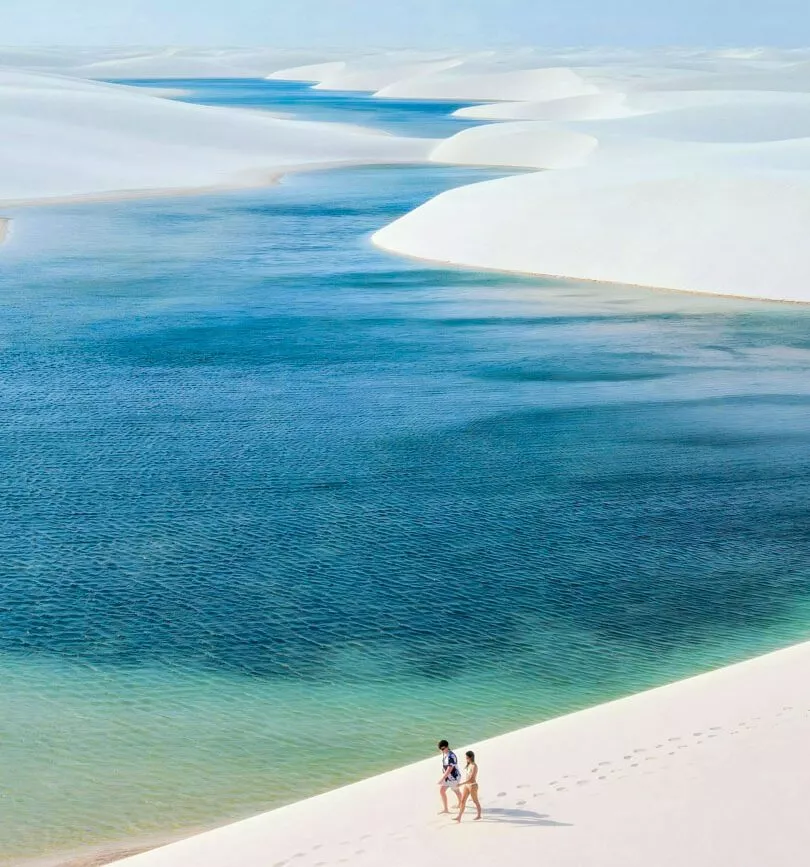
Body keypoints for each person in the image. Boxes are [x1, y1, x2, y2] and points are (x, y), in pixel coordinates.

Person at [455, 750, 482, 822]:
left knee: (475, 801)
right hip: (467, 785)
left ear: (471, 757)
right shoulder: (469, 765)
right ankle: (459, 817)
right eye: (466, 758)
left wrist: (461, 784)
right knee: (462, 801)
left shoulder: (474, 766)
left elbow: (471, 779)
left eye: (467, 758)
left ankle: (479, 815)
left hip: (473, 786)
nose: (466, 759)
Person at [437, 739, 463, 813]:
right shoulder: (445, 753)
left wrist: (442, 779)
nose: (442, 751)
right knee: (442, 791)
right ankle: (446, 809)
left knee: (456, 791)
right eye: (440, 749)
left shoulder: (451, 756)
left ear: (447, 747)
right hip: (448, 777)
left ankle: (461, 804)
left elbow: (449, 769)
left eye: (443, 749)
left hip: (453, 778)